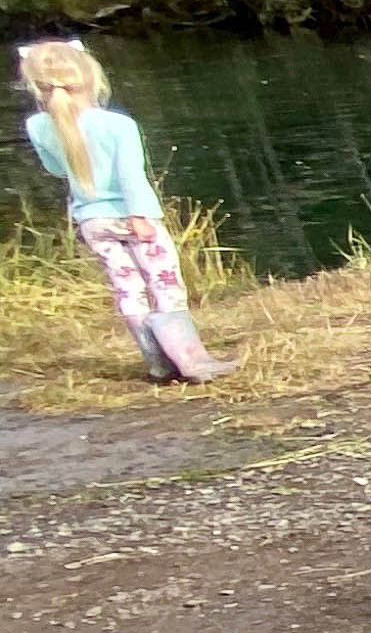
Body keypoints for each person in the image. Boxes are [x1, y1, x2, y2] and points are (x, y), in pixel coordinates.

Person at [19, 37, 234, 382]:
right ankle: (191, 361)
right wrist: (141, 217)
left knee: (127, 288)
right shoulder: (118, 125)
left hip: (92, 220)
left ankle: (158, 364)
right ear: (92, 76)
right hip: (134, 217)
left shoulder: (38, 126)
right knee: (165, 283)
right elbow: (132, 176)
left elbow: (57, 170)